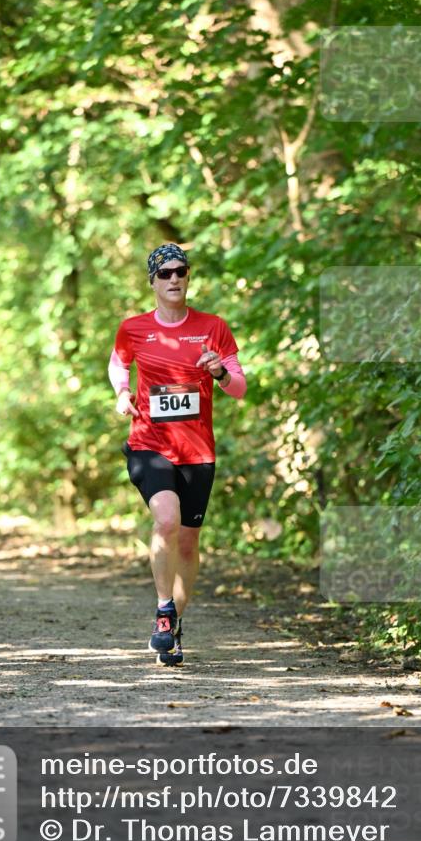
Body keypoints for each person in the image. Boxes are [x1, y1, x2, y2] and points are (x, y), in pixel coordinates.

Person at [109, 243, 246, 666]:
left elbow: (239, 387)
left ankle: (173, 623)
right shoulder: (133, 328)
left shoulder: (212, 327)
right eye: (164, 273)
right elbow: (118, 363)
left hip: (197, 451)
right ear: (151, 280)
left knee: (188, 543)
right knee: (165, 519)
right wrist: (122, 392)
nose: (174, 279)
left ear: (188, 277)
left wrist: (219, 371)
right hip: (148, 444)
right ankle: (164, 610)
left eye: (180, 272)